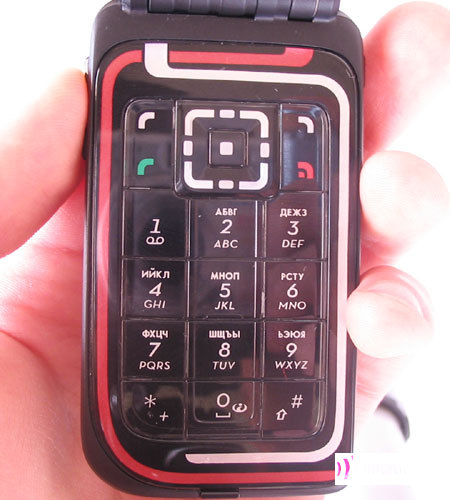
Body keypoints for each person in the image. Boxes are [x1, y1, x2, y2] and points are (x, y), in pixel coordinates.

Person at [0, 2, 448, 499]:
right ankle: (381, 417)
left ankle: (378, 415)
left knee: (355, 294)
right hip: (128, 437)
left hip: (179, 429)